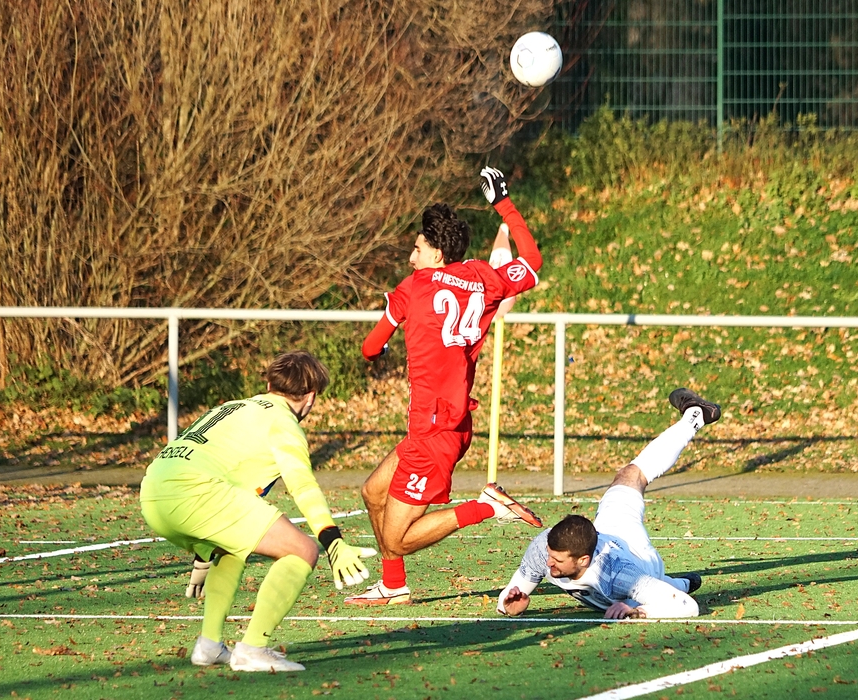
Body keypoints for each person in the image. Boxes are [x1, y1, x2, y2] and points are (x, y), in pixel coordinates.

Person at [344, 167, 545, 606]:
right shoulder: (482, 277)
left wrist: (385, 342)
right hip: (446, 422)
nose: (411, 257)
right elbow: (532, 261)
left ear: (436, 253)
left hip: (434, 430)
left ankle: (487, 507)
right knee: (373, 492)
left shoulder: (413, 287)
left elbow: (369, 348)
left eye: (417, 249)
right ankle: (393, 586)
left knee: (397, 540)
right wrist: (503, 203)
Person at [140, 351, 375, 672]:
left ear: (268, 385)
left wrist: (203, 551)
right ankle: (252, 649)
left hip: (152, 491)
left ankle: (209, 646)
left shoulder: (232, 407)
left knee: (232, 550)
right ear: (310, 397)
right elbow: (302, 485)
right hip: (194, 492)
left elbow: (214, 462)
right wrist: (332, 541)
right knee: (303, 550)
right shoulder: (283, 422)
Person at [498, 388, 721, 620]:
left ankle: (694, 416)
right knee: (629, 475)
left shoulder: (621, 574)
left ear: (583, 560)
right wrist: (509, 606)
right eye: (550, 555)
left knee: (640, 594)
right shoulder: (544, 547)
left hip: (640, 558)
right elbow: (510, 596)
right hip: (612, 530)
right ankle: (682, 583)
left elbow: (689, 607)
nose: (548, 563)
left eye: (557, 560)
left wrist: (639, 611)